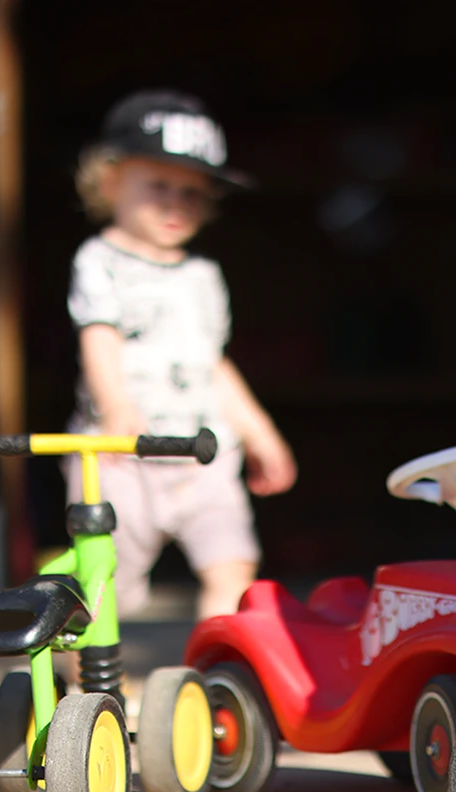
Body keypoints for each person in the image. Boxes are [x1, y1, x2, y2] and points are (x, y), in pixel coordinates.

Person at [65, 89, 296, 621]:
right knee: (104, 582)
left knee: (233, 568)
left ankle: (209, 679)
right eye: (159, 186)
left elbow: (211, 362)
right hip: (124, 455)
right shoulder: (100, 260)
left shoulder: (203, 276)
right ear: (111, 182)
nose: (177, 202)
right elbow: (98, 337)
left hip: (202, 454)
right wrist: (115, 406)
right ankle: (84, 689)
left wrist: (260, 430)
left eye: (193, 192)